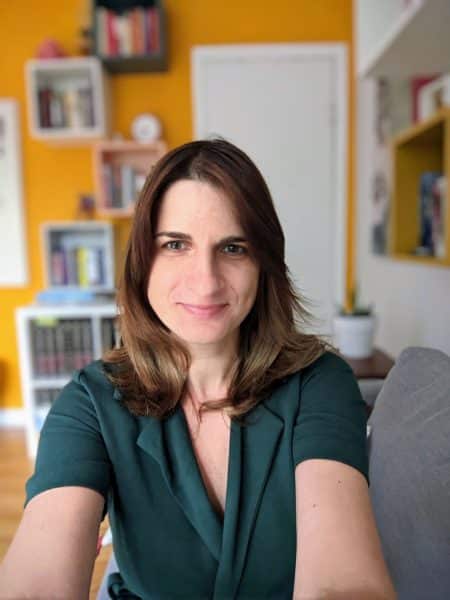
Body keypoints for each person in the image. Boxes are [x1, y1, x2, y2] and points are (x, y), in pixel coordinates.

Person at [0, 138, 396, 599]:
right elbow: (36, 583)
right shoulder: (91, 402)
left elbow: (344, 584)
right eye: (175, 244)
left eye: (233, 248)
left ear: (263, 262)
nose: (205, 281)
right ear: (142, 261)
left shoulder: (319, 384)